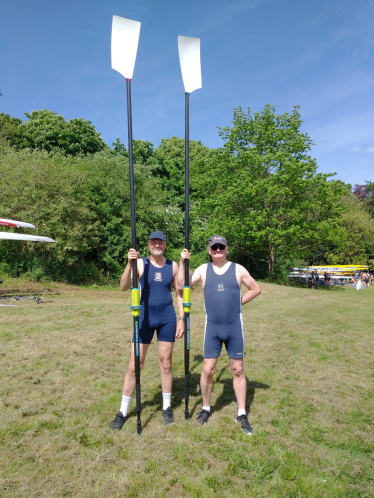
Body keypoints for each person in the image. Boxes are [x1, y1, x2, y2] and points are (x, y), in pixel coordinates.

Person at [178, 235, 261, 435]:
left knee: (238, 370)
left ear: (226, 249)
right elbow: (182, 286)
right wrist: (182, 263)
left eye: (221, 247)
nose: (217, 250)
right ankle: (206, 408)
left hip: (234, 327)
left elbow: (256, 289)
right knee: (208, 370)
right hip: (213, 328)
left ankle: (242, 413)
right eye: (214, 247)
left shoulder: (238, 269)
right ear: (209, 250)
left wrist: (239, 302)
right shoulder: (203, 270)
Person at [110, 230, 184, 430]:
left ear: (165, 244)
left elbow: (179, 292)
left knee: (166, 363)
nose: (157, 245)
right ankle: (123, 411)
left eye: (160, 242)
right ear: (149, 244)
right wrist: (129, 263)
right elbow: (124, 286)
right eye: (153, 242)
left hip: (167, 317)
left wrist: (181, 318)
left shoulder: (173, 266)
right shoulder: (141, 263)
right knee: (135, 365)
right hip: (144, 317)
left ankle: (167, 407)